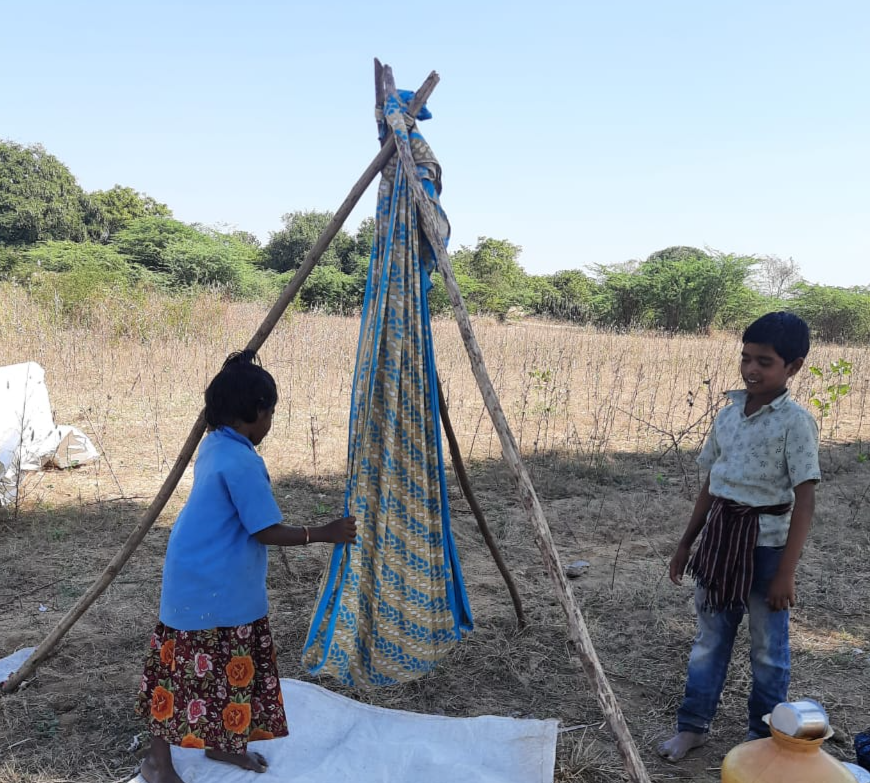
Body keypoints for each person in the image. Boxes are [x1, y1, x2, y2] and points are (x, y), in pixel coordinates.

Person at [135, 350, 357, 783]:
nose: (271, 424)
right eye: (270, 413)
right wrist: (323, 531)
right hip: (206, 586)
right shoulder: (240, 461)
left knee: (220, 669)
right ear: (256, 412)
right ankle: (158, 764)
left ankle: (223, 745)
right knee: (177, 681)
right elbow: (266, 531)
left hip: (207, 577)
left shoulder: (216, 442)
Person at [658, 312, 821, 762]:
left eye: (765, 362)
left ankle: (764, 737)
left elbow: (804, 501)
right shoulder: (727, 417)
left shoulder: (796, 424)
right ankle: (693, 727)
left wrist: (785, 574)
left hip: (768, 551)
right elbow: (711, 484)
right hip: (719, 543)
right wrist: (686, 542)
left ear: (794, 367)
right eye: (746, 358)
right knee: (710, 640)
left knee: (769, 651)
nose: (751, 369)